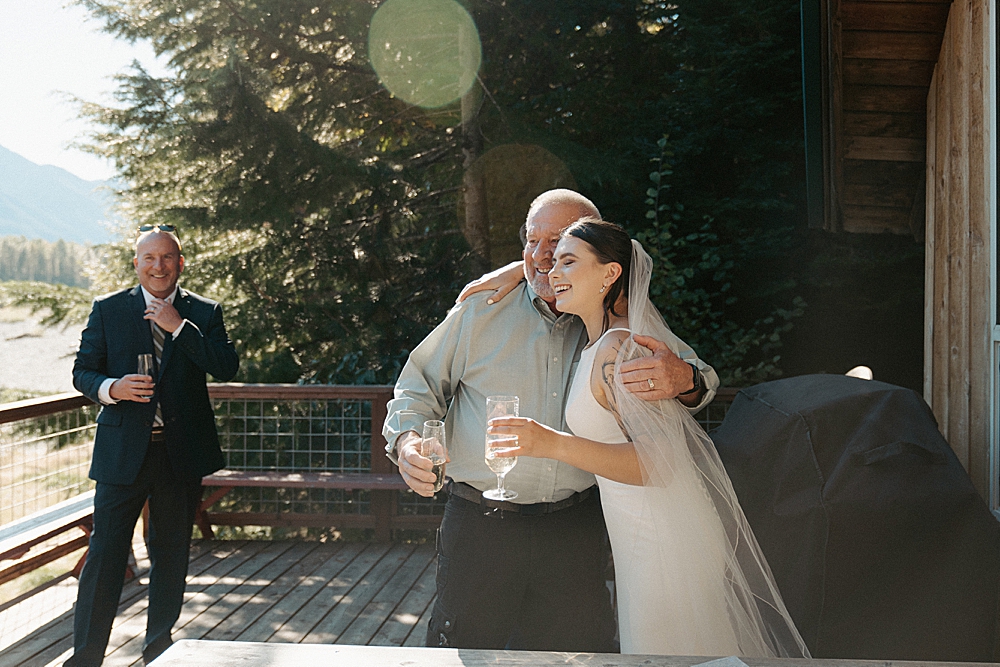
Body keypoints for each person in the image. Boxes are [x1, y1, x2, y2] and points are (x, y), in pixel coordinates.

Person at [383, 189, 719, 651]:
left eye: (559, 245)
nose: (543, 258)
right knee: (462, 653)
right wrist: (407, 444)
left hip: (575, 531)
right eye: (531, 242)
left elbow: (696, 380)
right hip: (481, 527)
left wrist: (684, 378)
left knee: (579, 656)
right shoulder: (480, 311)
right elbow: (416, 389)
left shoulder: (617, 318)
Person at [487, 218, 810, 657]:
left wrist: (550, 443)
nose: (554, 273)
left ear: (609, 274)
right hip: (639, 535)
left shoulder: (624, 351)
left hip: (665, 542)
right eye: (552, 263)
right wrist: (511, 271)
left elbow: (660, 464)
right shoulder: (597, 345)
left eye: (567, 262)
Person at [67, 226, 238, 666]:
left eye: (167, 258)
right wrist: (113, 387)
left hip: (179, 455)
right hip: (122, 454)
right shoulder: (108, 310)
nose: (158, 266)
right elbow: (83, 372)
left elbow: (225, 366)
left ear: (180, 263)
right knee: (105, 556)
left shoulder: (203, 311)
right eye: (149, 258)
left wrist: (178, 327)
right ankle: (85, 658)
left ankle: (159, 648)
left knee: (170, 552)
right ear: (136, 263)